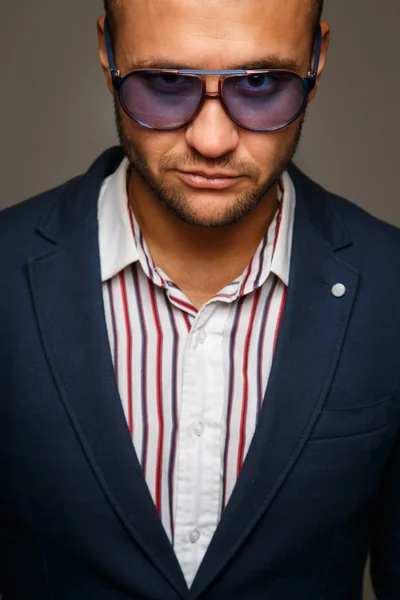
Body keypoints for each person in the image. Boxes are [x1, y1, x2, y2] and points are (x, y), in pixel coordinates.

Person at [1, 0, 399, 597]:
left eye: (261, 83)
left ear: (317, 57)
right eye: (165, 82)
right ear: (107, 50)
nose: (211, 141)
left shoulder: (390, 285)